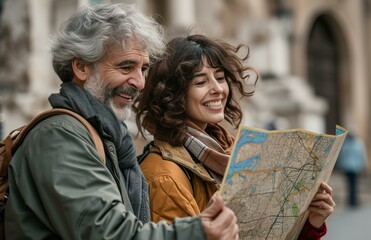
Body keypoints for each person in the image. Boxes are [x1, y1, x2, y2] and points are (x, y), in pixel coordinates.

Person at [4, 4, 239, 240]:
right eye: (126, 67)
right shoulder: (59, 137)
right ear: (81, 67)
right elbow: (109, 233)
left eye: (144, 69)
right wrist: (199, 231)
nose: (139, 82)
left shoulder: (107, 136)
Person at [134, 34, 336, 239]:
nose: (218, 89)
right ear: (173, 94)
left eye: (220, 78)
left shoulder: (227, 151)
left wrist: (311, 222)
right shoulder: (164, 177)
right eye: (201, 82)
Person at [336, 131, 368, 207]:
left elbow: (342, 156)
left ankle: (352, 199)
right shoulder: (358, 144)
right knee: (352, 183)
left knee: (351, 183)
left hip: (351, 167)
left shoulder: (348, 143)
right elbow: (362, 155)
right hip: (353, 167)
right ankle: (352, 199)